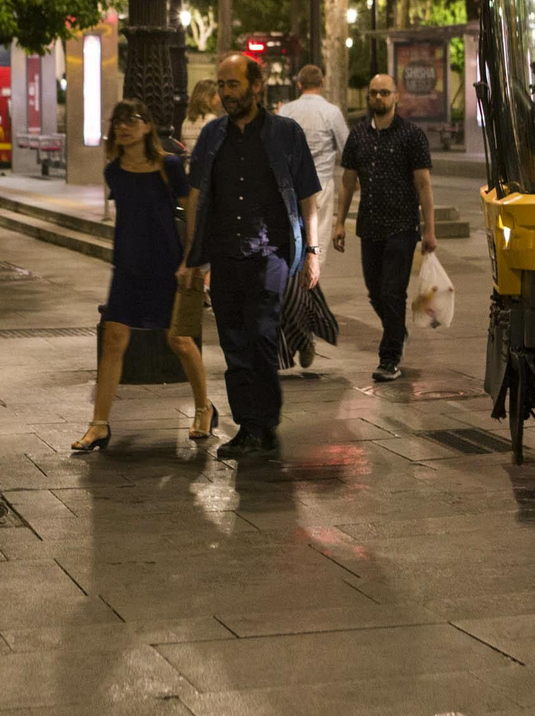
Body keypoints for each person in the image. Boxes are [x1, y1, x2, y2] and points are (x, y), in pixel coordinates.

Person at [178, 54, 321, 457]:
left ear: (256, 86)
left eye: (233, 84)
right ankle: (250, 425)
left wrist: (312, 250)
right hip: (224, 254)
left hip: (270, 253)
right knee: (233, 342)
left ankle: (263, 423)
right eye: (221, 85)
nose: (225, 92)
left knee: (259, 337)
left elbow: (308, 197)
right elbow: (196, 197)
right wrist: (191, 256)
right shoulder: (211, 136)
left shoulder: (286, 133)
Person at [72, 99, 215, 452]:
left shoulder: (168, 166)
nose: (123, 126)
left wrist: (191, 260)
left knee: (179, 340)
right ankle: (99, 424)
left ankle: (204, 408)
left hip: (166, 264)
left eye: (132, 120)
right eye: (118, 121)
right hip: (128, 267)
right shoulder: (114, 171)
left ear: (148, 126)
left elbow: (191, 208)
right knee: (114, 338)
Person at [333, 74, 436, 382]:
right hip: (369, 226)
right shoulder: (358, 136)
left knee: (392, 292)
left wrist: (429, 230)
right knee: (375, 293)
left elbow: (424, 185)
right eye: (373, 93)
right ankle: (397, 331)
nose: (378, 97)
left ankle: (389, 358)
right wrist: (339, 222)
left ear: (396, 98)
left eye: (384, 93)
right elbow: (348, 183)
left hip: (402, 227)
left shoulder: (412, 136)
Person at [276, 64, 349, 367]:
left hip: (288, 193)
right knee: (312, 262)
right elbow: (348, 150)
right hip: (322, 192)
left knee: (296, 263)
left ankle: (301, 332)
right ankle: (308, 329)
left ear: (298, 83)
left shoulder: (286, 111)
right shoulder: (331, 113)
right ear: (322, 82)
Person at [180, 80, 221, 151]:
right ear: (209, 97)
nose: (220, 99)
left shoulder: (186, 121)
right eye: (218, 94)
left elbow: (183, 147)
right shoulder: (212, 120)